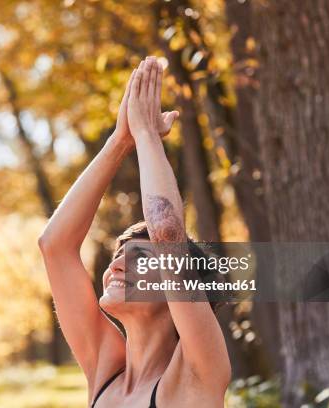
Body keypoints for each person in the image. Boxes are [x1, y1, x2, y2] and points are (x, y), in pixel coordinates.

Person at [38, 56, 231, 407]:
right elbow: (55, 246)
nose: (116, 266)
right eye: (117, 256)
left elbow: (168, 233)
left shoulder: (197, 375)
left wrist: (146, 135)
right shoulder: (105, 370)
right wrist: (120, 140)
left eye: (140, 257)